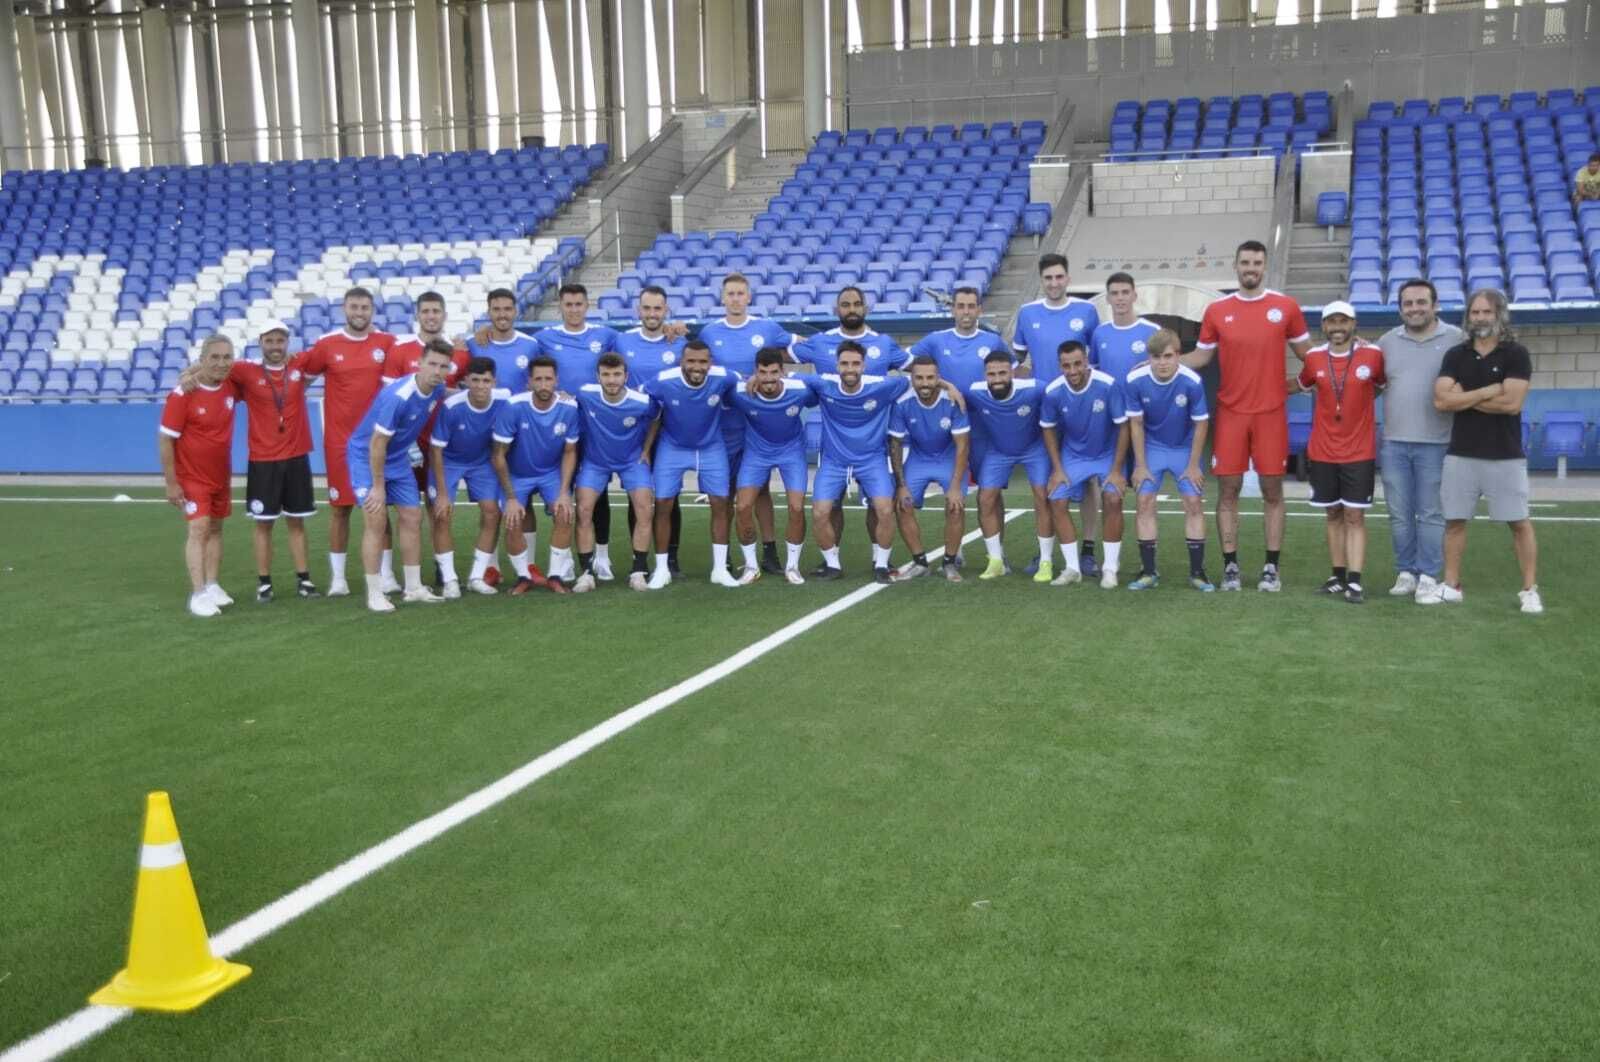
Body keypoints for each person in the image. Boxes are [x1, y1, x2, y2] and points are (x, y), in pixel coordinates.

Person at [1185, 239, 1312, 592]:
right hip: (1232, 413)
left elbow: (1310, 356)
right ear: (1236, 266)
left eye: (1257, 262)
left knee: (1273, 489)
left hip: (1271, 414)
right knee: (1228, 489)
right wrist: (1163, 362)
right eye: (1245, 262)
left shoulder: (1285, 307)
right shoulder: (1217, 310)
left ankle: (1271, 567)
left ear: (1265, 265)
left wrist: (1302, 382)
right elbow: (1201, 357)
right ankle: (1231, 567)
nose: (1251, 268)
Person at [184, 321, 319, 602]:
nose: (275, 346)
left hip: (296, 457)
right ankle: (264, 583)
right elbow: (212, 367)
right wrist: (188, 374)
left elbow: (326, 352)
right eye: (269, 341)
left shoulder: (300, 364)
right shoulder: (244, 370)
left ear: (288, 342)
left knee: (297, 523)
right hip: (263, 460)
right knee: (263, 524)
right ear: (260, 342)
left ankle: (304, 580)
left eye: (280, 340)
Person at [1433, 289, 1541, 614]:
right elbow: (1440, 401)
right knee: (1454, 521)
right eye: (1475, 312)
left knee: (1519, 522)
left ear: (1499, 315)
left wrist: (1464, 398)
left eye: (1486, 312)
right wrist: (1486, 392)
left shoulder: (1516, 353)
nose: (1479, 318)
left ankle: (1529, 590)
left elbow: (1512, 404)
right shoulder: (1456, 354)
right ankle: (1451, 585)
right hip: (1461, 454)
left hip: (1505, 455)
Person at [300, 287, 397, 596]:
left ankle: (386, 574)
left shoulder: (387, 343)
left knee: (380, 508)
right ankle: (338, 579)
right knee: (340, 509)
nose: (359, 312)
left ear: (372, 310)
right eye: (354, 306)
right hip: (340, 444)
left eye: (365, 307)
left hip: (378, 442)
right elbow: (298, 378)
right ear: (344, 308)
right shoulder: (327, 345)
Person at [698, 273, 797, 574]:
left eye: (741, 293)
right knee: (723, 493)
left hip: (755, 426)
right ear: (723, 298)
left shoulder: (767, 328)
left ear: (749, 297)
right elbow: (695, 366)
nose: (736, 298)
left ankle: (769, 553)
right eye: (731, 293)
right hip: (721, 424)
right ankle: (724, 554)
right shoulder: (709, 332)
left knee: (761, 490)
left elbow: (798, 347)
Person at [347, 339, 454, 612]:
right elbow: (376, 443)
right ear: (419, 362)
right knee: (376, 520)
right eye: (432, 364)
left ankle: (413, 587)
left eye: (443, 366)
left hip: (396, 458)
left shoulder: (437, 388)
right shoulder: (397, 397)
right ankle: (374, 593)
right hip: (367, 457)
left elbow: (449, 392)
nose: (437, 371)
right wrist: (378, 487)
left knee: (412, 517)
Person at [1291, 302, 1386, 605]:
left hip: (1359, 450)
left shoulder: (1373, 355)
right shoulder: (1314, 358)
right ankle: (1338, 576)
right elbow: (1301, 384)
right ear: (1324, 327)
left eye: (1343, 321)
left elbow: (1380, 385)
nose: (1337, 327)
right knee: (1332, 513)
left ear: (1353, 324)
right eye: (1331, 322)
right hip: (1323, 451)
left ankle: (1355, 582)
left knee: (1354, 515)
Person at [1377, 279, 1463, 602]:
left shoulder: (1456, 338)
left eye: (1421, 302)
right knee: (1399, 513)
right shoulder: (1386, 342)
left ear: (1435, 305)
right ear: (1400, 308)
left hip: (1437, 443)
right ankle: (1405, 572)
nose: (1414, 308)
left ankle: (1428, 574)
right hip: (1394, 443)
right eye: (1408, 303)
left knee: (1430, 513)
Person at [534, 283, 624, 579]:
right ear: (560, 306)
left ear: (588, 305)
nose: (573, 309)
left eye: (578, 304)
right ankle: (567, 560)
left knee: (597, 493)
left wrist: (675, 329)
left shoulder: (606, 335)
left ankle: (602, 557)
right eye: (568, 304)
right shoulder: (545, 338)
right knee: (564, 492)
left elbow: (638, 343)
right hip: (559, 426)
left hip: (595, 426)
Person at [643, 339, 745, 588]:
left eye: (702, 361)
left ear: (711, 363)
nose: (697, 366)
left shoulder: (724, 377)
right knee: (663, 503)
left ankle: (720, 569)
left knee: (720, 503)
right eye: (691, 361)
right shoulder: (663, 380)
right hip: (673, 446)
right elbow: (635, 395)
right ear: (682, 362)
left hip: (711, 447)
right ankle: (661, 569)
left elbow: (748, 380)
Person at [386, 291, 471, 585]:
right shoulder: (400, 351)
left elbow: (463, 394)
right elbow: (390, 399)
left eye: (436, 311)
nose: (431, 316)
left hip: (440, 446)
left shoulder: (459, 353)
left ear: (444, 315)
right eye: (426, 311)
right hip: (407, 446)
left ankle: (440, 566)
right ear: (418, 315)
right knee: (406, 511)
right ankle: (394, 574)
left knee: (439, 509)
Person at [1084, 271, 1160, 578]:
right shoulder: (1100, 334)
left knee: (1144, 493)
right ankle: (1101, 556)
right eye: (1114, 293)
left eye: (1124, 292)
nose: (1120, 298)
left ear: (1134, 295)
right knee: (1107, 492)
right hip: (1108, 426)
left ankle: (1147, 561)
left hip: (1142, 424)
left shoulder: (1152, 331)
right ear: (1108, 298)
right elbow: (1094, 374)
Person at [1125, 329, 1213, 591]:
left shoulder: (1192, 381)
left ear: (1178, 356)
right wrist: (1140, 465)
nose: (1162, 362)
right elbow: (1137, 424)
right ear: (1148, 358)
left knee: (1194, 502)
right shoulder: (1135, 380)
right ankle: (1148, 572)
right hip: (1152, 447)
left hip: (1183, 448)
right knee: (1143, 501)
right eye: (1156, 357)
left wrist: (1192, 465)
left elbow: (1201, 425)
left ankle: (1198, 573)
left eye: (1167, 356)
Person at [158, 335, 238, 617]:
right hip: (192, 478)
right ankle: (198, 593)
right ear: (202, 359)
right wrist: (171, 482)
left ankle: (213, 585)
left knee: (216, 529)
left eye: (226, 357)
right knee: (199, 529)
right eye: (214, 357)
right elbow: (166, 439)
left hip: (220, 475)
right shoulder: (183, 394)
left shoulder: (230, 386)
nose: (221, 363)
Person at [1040, 341, 1127, 588]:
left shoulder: (1107, 385)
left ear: (1086, 361)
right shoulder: (1053, 391)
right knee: (1056, 499)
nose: (1073, 370)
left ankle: (1110, 568)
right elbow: (1047, 429)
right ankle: (1072, 568)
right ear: (1060, 366)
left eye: (1077, 363)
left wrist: (1117, 470)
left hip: (1106, 453)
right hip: (1074, 455)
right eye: (1066, 365)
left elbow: (1123, 426)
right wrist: (1057, 469)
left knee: (1113, 498)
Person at [615, 284, 689, 572]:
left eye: (657, 308)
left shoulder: (679, 343)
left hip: (670, 430)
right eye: (646, 308)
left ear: (666, 311)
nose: (652, 313)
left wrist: (684, 329)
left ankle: (671, 557)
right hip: (632, 431)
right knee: (639, 495)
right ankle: (641, 558)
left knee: (669, 495)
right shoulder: (621, 341)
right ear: (638, 310)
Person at [727, 348, 816, 585]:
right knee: (743, 506)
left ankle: (792, 567)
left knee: (796, 508)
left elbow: (819, 388)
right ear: (755, 371)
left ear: (782, 372)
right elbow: (719, 383)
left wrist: (797, 378)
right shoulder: (742, 392)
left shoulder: (799, 390)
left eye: (773, 372)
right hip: (757, 453)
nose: (768, 378)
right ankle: (751, 567)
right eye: (763, 372)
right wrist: (744, 379)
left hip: (791, 452)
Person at [571, 352, 659, 593]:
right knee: (584, 509)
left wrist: (647, 449)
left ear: (626, 376)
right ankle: (587, 573)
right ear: (597, 376)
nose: (611, 380)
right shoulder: (586, 394)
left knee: (644, 508)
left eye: (617, 374)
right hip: (595, 462)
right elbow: (567, 403)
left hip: (632, 461)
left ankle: (638, 571)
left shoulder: (641, 401)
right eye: (606, 374)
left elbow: (655, 419)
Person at [491, 356, 579, 594]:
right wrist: (510, 498)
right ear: (529, 382)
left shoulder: (569, 408)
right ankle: (523, 576)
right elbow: (498, 455)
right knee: (512, 519)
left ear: (556, 381)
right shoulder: (513, 406)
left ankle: (556, 576)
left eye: (548, 379)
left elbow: (570, 451)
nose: (543, 384)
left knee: (565, 513)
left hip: (550, 473)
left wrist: (563, 492)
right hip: (517, 474)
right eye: (538, 379)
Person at [966, 351, 1055, 582]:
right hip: (999, 451)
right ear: (985, 375)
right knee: (985, 499)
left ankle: (1045, 560)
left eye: (1002, 373)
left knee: (1042, 496)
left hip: (1034, 450)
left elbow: (1059, 392)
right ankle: (996, 561)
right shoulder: (975, 391)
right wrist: (948, 385)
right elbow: (951, 393)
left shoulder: (1034, 388)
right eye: (992, 374)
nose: (997, 379)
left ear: (1012, 372)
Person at [428, 357, 511, 598]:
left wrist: (563, 396)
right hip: (449, 461)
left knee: (492, 512)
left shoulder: (504, 398)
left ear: (494, 381)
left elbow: (534, 395)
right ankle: (450, 579)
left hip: (481, 462)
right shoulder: (452, 406)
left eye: (486, 380)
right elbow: (436, 450)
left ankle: (476, 576)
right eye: (475, 380)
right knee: (442, 514)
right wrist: (442, 494)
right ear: (466, 381)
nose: (481, 386)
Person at [887, 356, 971, 582]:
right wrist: (901, 486)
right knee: (902, 504)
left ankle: (950, 563)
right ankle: (920, 562)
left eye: (930, 377)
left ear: (938, 378)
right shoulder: (902, 403)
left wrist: (955, 486)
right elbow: (894, 444)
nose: (925, 383)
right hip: (919, 459)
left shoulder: (953, 400)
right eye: (919, 378)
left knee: (955, 506)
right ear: (911, 379)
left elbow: (963, 446)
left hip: (948, 458)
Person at [1011, 253, 1100, 387]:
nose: (1054, 283)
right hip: (1042, 394)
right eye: (1048, 278)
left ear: (1068, 279)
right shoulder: (1027, 312)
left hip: (1077, 392)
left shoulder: (1087, 310)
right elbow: (1017, 357)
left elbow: (1098, 354)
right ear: (1041, 280)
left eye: (1059, 277)